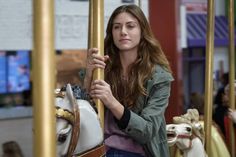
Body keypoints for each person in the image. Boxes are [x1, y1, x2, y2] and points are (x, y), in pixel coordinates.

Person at [83, 4, 173, 157]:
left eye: (130, 26)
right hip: (100, 148)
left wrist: (112, 102)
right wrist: (89, 75)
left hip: (139, 152)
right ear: (111, 32)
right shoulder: (103, 68)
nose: (123, 32)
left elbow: (147, 131)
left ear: (142, 31)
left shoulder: (159, 78)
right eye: (117, 27)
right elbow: (85, 111)